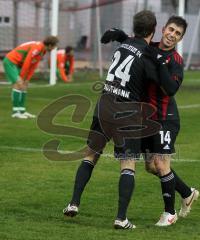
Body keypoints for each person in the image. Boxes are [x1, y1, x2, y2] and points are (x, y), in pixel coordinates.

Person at [63, 10, 164, 229]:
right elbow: (159, 86)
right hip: (127, 109)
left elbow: (106, 38)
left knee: (90, 155)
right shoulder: (148, 54)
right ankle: (121, 218)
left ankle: (73, 203)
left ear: (134, 27)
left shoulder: (125, 43)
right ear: (153, 29)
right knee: (127, 164)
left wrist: (117, 34)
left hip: (105, 103)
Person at [100, 16, 199, 227]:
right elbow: (131, 41)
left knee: (162, 163)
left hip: (165, 119)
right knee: (151, 167)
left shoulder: (176, 61)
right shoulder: (149, 47)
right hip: (146, 118)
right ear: (162, 29)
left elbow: (171, 89)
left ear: (181, 38)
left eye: (178, 33)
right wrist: (117, 34)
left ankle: (169, 213)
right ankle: (187, 193)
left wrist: (160, 64)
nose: (172, 35)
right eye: (170, 29)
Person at [3, 36, 59, 119]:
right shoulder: (38, 47)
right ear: (50, 45)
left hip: (18, 64)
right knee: (18, 84)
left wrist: (27, 79)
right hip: (11, 62)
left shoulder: (42, 50)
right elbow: (27, 62)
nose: (55, 48)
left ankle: (22, 111)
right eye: (55, 46)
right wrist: (22, 77)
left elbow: (33, 65)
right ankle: (15, 112)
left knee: (24, 86)